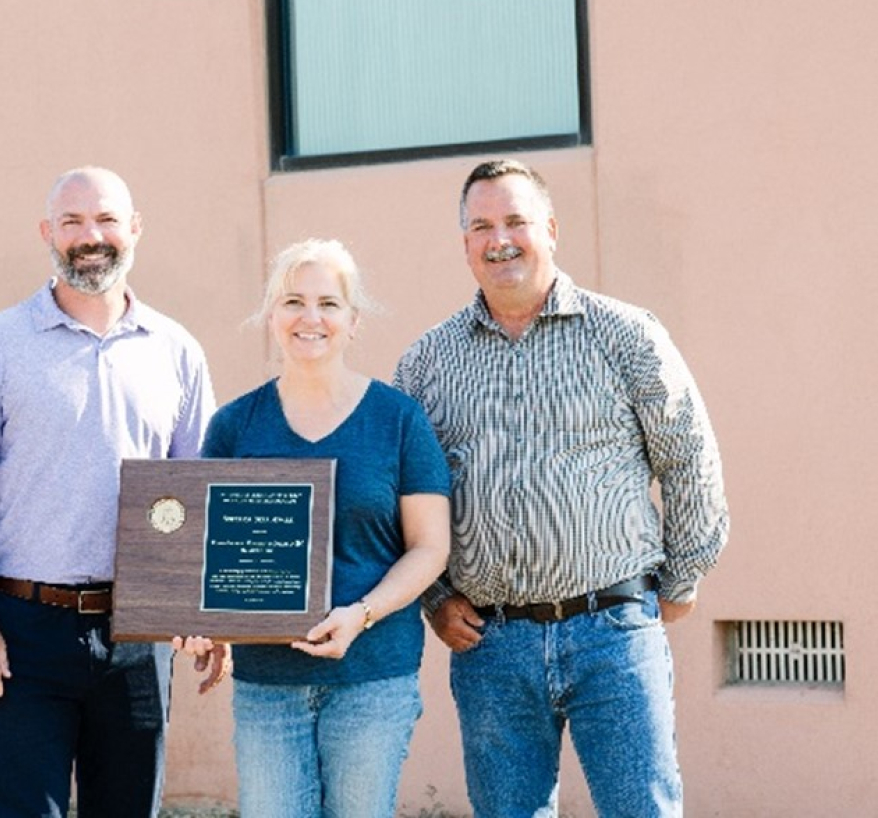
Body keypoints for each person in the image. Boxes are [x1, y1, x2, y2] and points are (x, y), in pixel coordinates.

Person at [394, 159, 730, 817]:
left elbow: (691, 457)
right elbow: (405, 498)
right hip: (492, 645)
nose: (501, 239)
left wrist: (681, 579)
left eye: (516, 221)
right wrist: (434, 597)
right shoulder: (427, 363)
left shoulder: (626, 334)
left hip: (614, 629)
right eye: (482, 225)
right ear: (464, 243)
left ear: (550, 228)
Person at [0, 166, 218, 818]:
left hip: (140, 633)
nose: (92, 236)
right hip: (21, 632)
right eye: (73, 222)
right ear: (47, 234)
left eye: (108, 219)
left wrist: (210, 609)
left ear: (135, 228)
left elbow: (200, 491)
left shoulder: (177, 350)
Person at [182, 239, 451, 818]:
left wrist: (362, 614)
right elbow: (205, 556)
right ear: (271, 316)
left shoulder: (398, 419)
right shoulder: (233, 426)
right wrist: (195, 622)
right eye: (293, 302)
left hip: (373, 676)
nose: (311, 318)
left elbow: (429, 548)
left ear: (354, 321)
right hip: (266, 684)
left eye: (328, 303)